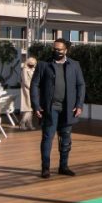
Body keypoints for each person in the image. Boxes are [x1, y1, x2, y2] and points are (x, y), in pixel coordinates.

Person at [30, 38, 85, 179]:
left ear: (66, 50)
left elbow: (81, 85)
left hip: (68, 109)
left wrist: (79, 105)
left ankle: (63, 166)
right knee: (48, 137)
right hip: (49, 108)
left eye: (59, 49)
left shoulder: (74, 65)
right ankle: (45, 168)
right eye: (54, 49)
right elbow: (34, 85)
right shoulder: (43, 65)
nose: (56, 51)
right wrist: (36, 105)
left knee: (66, 138)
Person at [19, 57, 37, 130]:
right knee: (28, 108)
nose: (33, 65)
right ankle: (22, 122)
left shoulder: (33, 69)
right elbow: (25, 81)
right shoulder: (24, 70)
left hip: (32, 90)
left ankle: (29, 124)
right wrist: (33, 88)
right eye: (32, 63)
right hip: (27, 90)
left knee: (30, 108)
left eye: (34, 63)